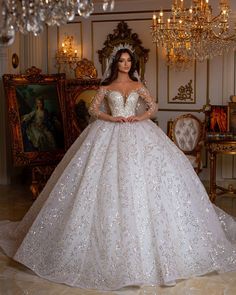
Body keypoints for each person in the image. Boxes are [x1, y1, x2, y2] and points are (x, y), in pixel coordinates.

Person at [0, 44, 236, 291]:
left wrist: (140, 117)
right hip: (109, 132)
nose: (125, 64)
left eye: (128, 61)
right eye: (122, 61)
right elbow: (93, 109)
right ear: (115, 64)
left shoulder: (138, 86)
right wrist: (110, 118)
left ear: (132, 64)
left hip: (139, 132)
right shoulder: (106, 87)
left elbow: (153, 107)